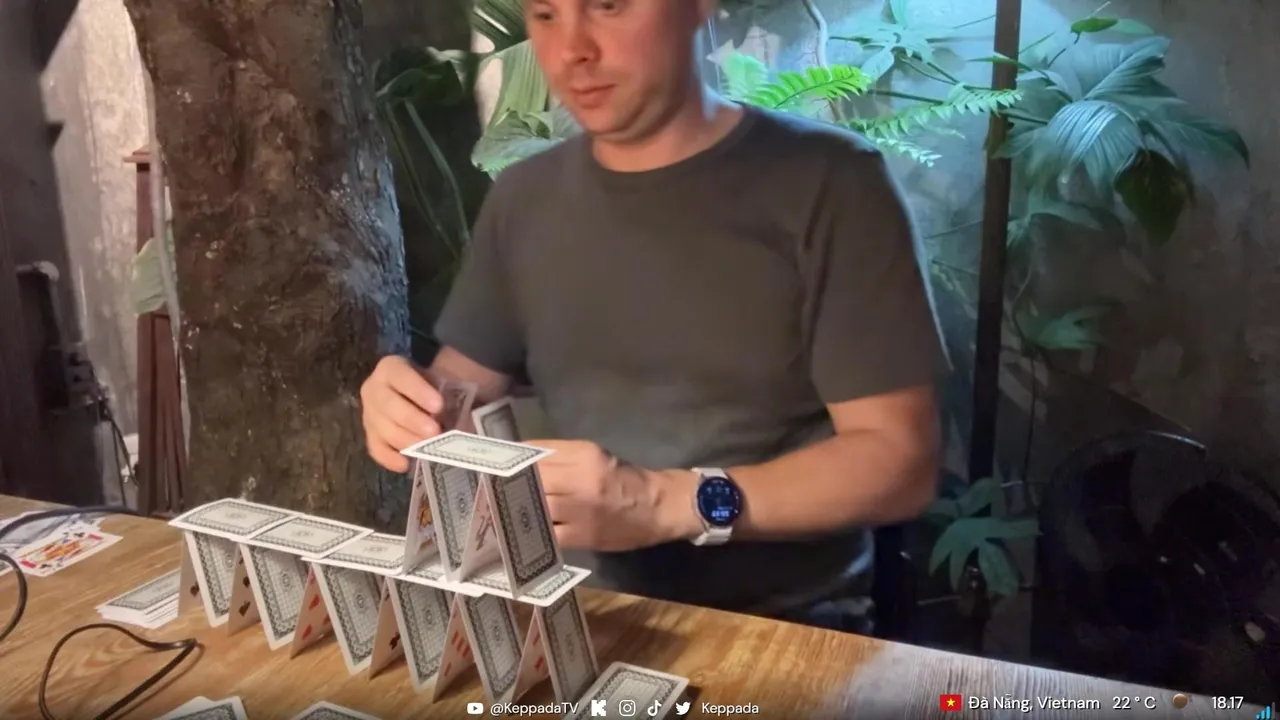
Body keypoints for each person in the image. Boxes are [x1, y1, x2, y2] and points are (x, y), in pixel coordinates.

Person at [360, 0, 943, 631]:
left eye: (609, 6)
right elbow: (459, 393)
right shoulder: (525, 198)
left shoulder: (832, 183)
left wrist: (665, 504)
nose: (573, 49)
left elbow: (899, 463)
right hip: (578, 617)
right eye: (546, 15)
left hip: (783, 633)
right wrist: (408, 405)